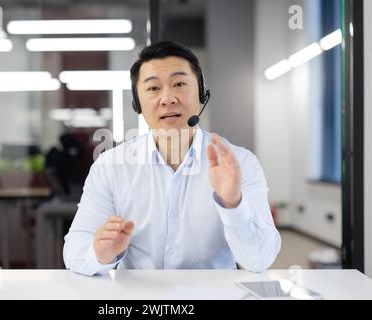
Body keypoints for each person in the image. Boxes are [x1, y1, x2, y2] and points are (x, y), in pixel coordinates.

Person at [63, 41, 281, 276]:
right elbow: (75, 249)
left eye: (179, 84)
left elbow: (260, 260)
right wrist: (100, 253)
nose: (167, 98)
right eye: (153, 88)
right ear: (138, 103)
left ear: (201, 94)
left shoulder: (240, 164)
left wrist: (233, 204)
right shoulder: (110, 167)